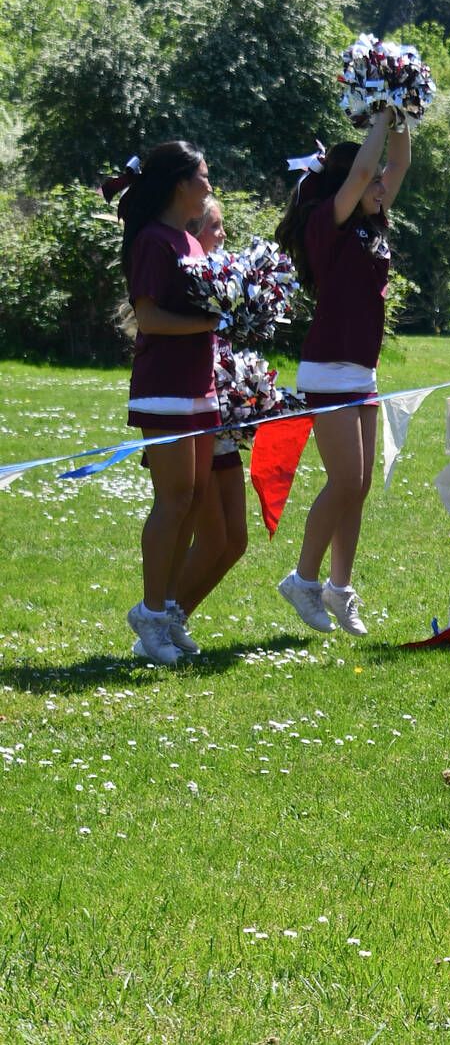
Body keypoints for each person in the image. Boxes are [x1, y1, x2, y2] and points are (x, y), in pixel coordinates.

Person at [274, 110, 410, 638]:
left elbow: (395, 160)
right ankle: (302, 580)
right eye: (371, 178)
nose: (381, 184)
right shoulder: (325, 222)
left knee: (359, 488)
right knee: (345, 480)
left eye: (379, 180)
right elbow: (362, 174)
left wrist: (400, 109)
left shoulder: (373, 221)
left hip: (362, 369)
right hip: (328, 366)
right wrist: (377, 113)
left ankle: (339, 586)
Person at [118, 142, 220, 665]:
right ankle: (151, 613)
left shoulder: (189, 240)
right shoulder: (154, 241)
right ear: (180, 183)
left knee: (195, 498)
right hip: (164, 388)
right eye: (203, 176)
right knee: (174, 499)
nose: (209, 184)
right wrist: (211, 323)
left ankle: (169, 611)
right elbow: (151, 318)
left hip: (199, 385)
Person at [167, 197, 250, 639]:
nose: (222, 236)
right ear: (194, 234)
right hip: (194, 416)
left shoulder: (223, 286)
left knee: (235, 541)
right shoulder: (186, 285)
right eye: (216, 227)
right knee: (214, 539)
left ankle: (173, 617)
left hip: (223, 422)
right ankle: (158, 620)